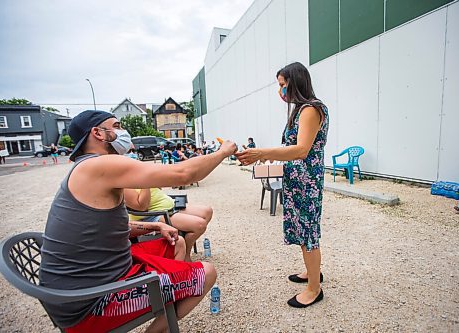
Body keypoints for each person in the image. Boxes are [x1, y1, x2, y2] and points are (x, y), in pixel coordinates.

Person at [39, 110, 237, 332]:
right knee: (207, 273)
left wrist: (154, 225)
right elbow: (183, 174)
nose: (123, 131)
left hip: (85, 285)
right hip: (90, 305)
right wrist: (223, 152)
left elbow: (106, 228)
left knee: (177, 242)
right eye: (117, 125)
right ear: (98, 133)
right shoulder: (100, 165)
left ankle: (170, 292)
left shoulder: (85, 167)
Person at [236, 62, 329, 308]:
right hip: (298, 180)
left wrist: (262, 152)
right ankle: (311, 273)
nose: (280, 90)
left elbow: (301, 150)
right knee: (302, 229)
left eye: (282, 84)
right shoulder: (301, 110)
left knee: (308, 232)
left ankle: (314, 290)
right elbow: (292, 150)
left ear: (295, 82)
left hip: (306, 183)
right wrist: (264, 157)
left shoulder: (310, 109)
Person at [125, 187, 213, 262]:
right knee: (200, 225)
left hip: (170, 206)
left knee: (207, 211)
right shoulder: (125, 183)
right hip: (155, 215)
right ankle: (186, 254)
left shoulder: (139, 172)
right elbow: (142, 207)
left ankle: (184, 240)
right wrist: (145, 182)